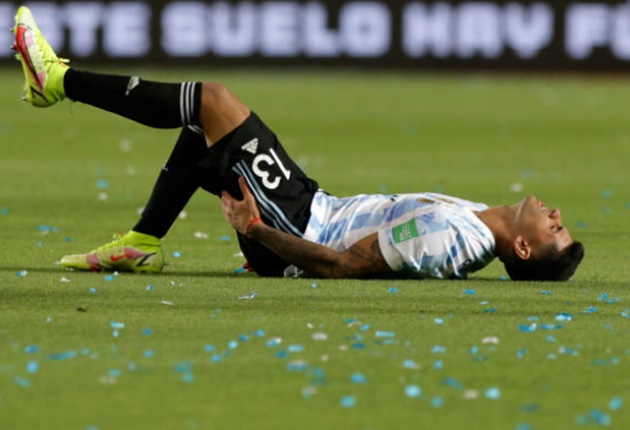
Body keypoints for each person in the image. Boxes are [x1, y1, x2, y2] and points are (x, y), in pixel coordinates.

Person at [12, 6, 584, 281]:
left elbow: (343, 266)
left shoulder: (453, 238)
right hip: (311, 208)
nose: (556, 216)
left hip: (297, 227)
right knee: (205, 127)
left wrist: (259, 232)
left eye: (555, 229)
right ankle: (142, 242)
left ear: (524, 249)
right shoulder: (475, 221)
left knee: (215, 101)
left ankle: (57, 80)